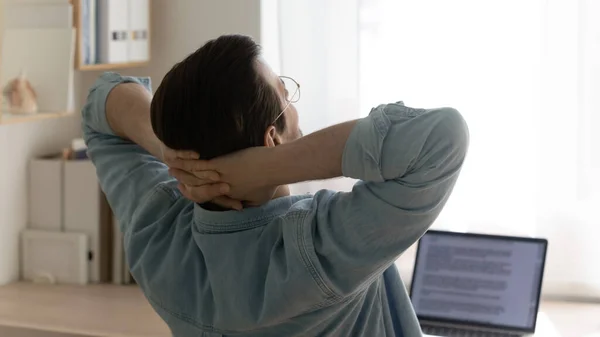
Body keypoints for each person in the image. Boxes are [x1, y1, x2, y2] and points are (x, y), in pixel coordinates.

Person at [82, 34, 469, 337]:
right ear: (271, 140)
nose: (295, 102)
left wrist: (171, 154)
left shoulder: (158, 235)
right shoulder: (324, 246)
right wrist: (262, 167)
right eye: (286, 95)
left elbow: (101, 104)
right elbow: (441, 138)